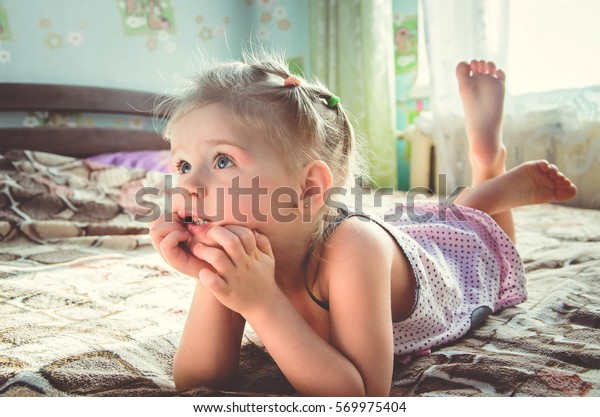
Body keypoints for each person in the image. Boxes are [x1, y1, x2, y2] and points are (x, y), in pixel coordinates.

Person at [148, 54, 577, 396]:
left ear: (308, 187)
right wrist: (210, 276)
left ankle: (487, 165)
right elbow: (198, 382)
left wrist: (262, 304)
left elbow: (364, 398)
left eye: (222, 160)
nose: (187, 183)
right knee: (433, 219)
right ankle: (479, 187)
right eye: (183, 163)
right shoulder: (240, 256)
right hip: (399, 241)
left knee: (478, 240)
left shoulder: (353, 247)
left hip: (434, 267)